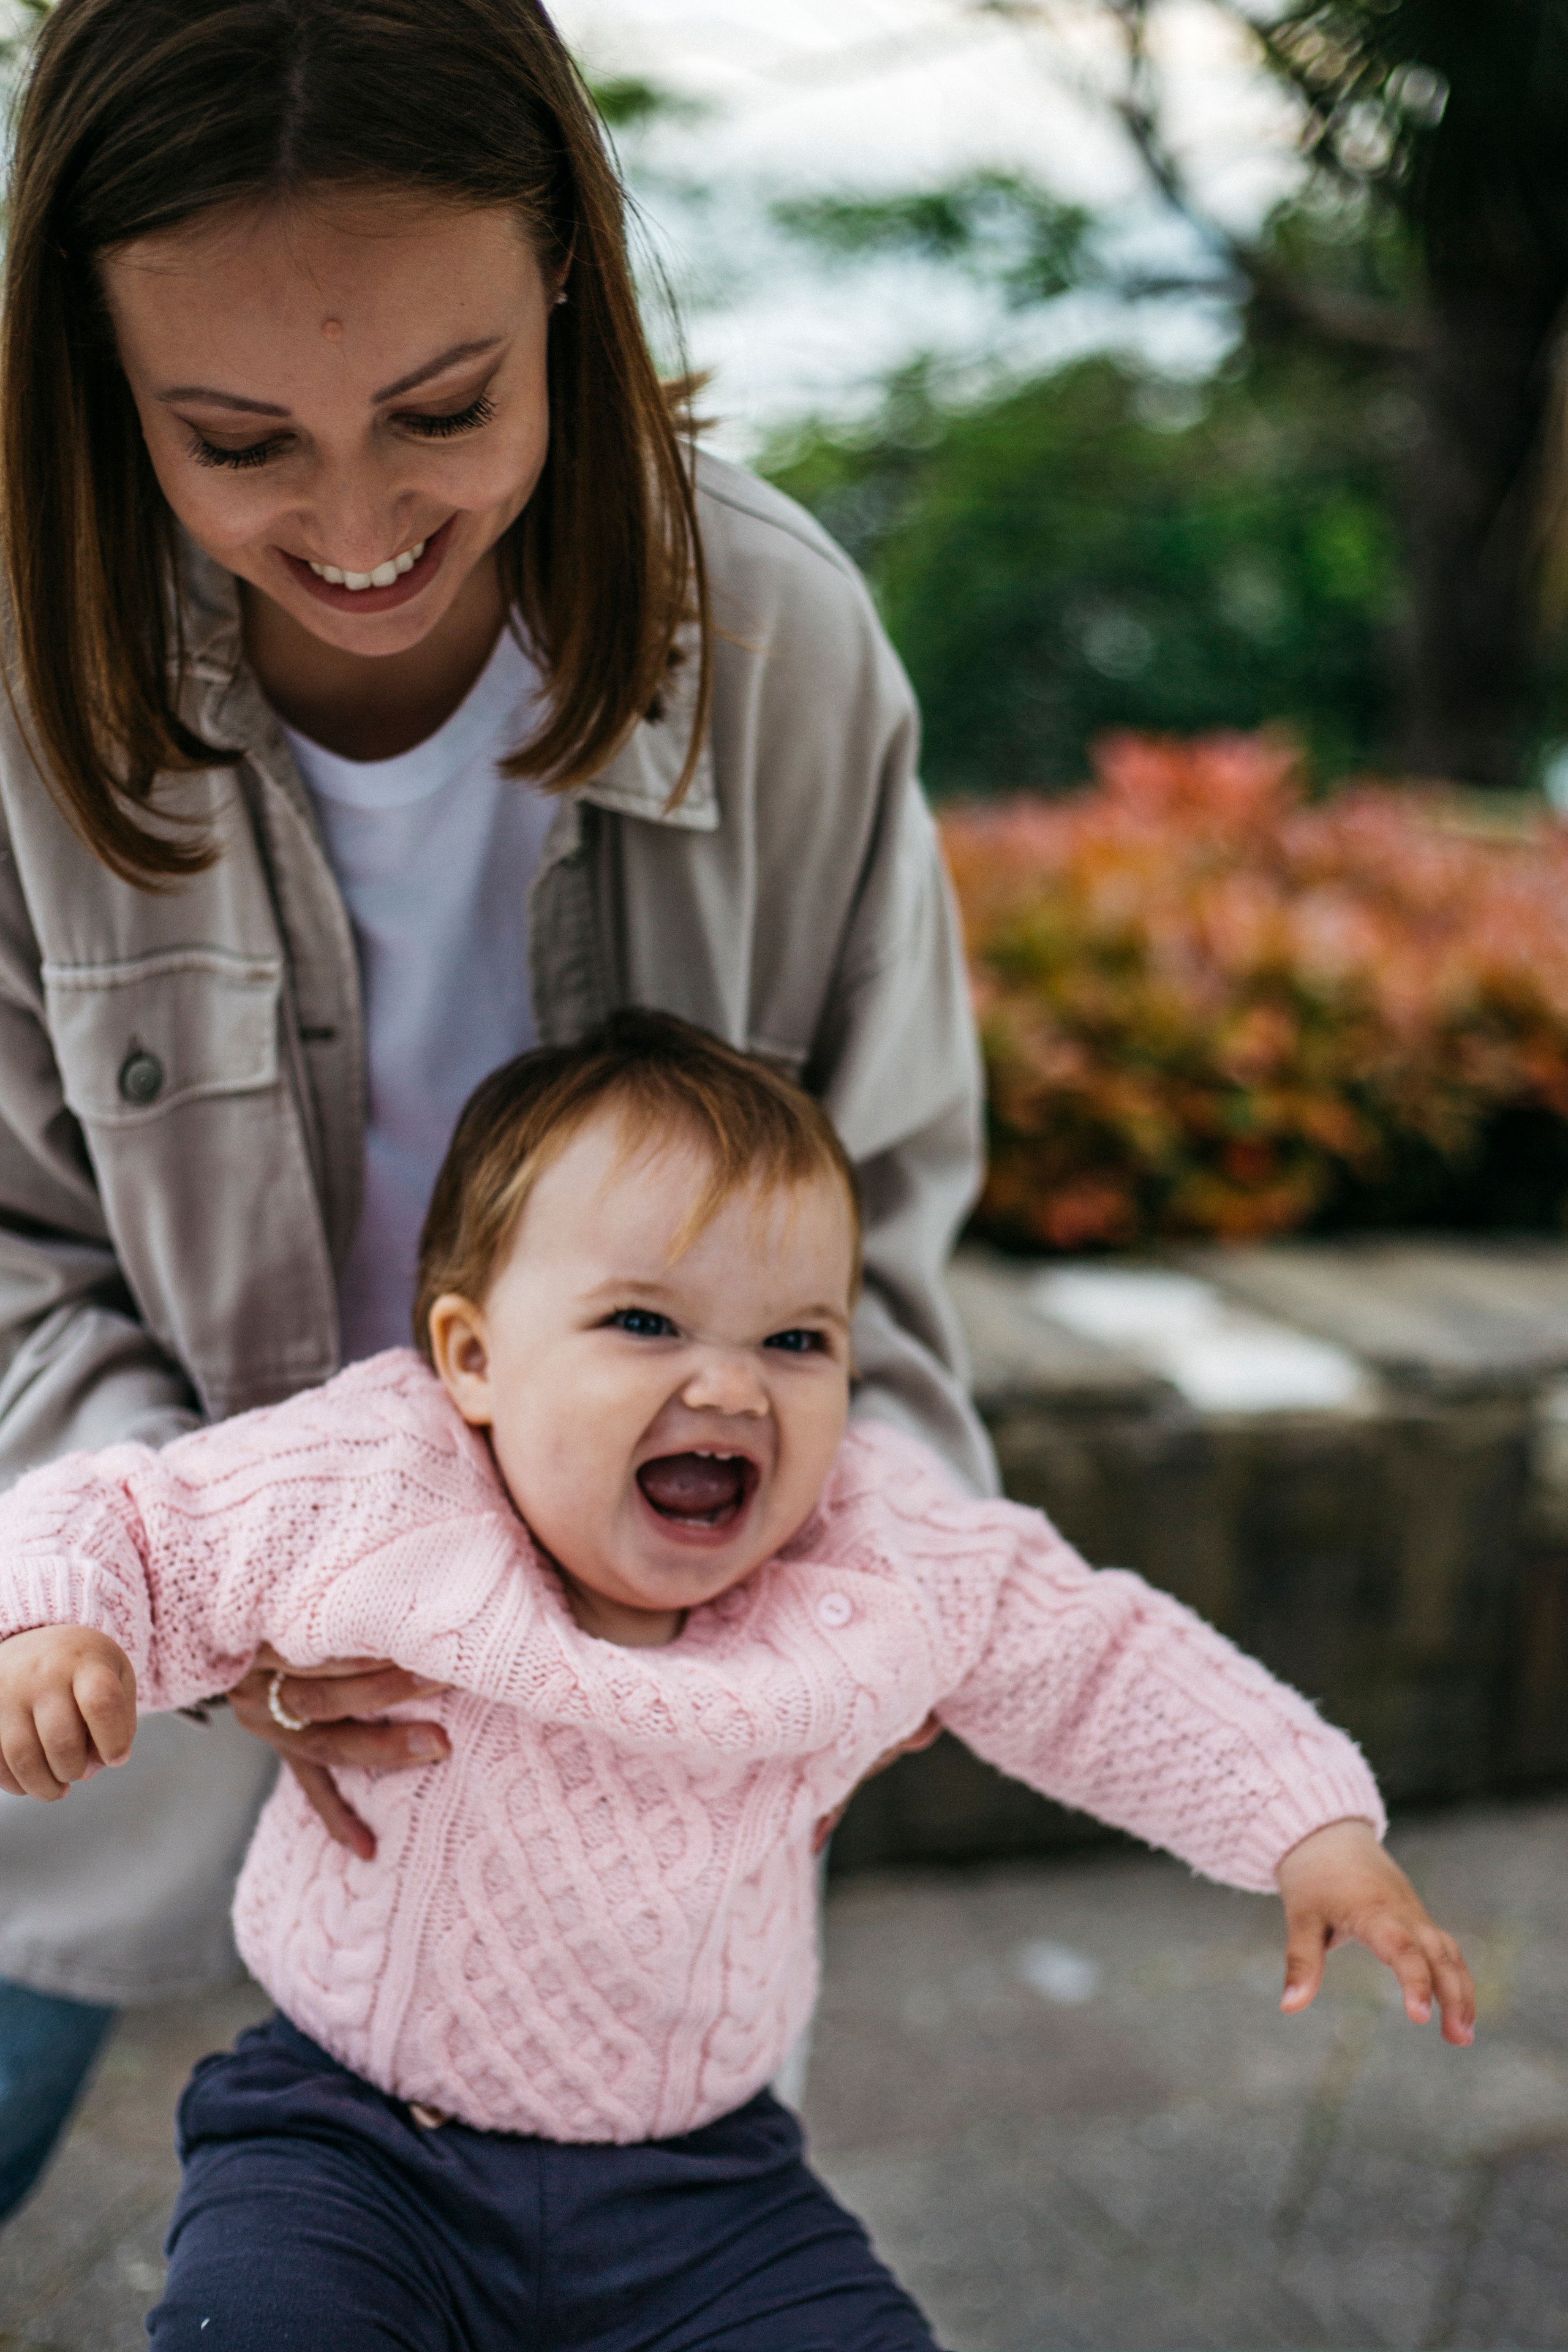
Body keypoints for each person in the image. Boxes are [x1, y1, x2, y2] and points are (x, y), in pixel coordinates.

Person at [0, 0, 997, 2214]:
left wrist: (865, 1601)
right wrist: (203, 1600)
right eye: (235, 437)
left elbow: (888, 1221)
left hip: (619, 1711)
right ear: (92, 377)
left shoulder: (783, 645)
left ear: (566, 263)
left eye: (441, 409)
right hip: (107, 1645)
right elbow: (9, 1259)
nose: (361, 525)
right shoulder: (13, 683)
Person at [0, 1012, 1475, 2351]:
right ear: (471, 1359)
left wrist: (1304, 1820)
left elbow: (1092, 1651)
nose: (728, 1385)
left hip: (702, 2185)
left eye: (795, 1339)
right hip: (354, 2143)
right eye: (643, 1323)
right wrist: (66, 1627)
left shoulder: (872, 1550)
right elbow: (140, 1520)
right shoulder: (378, 1483)